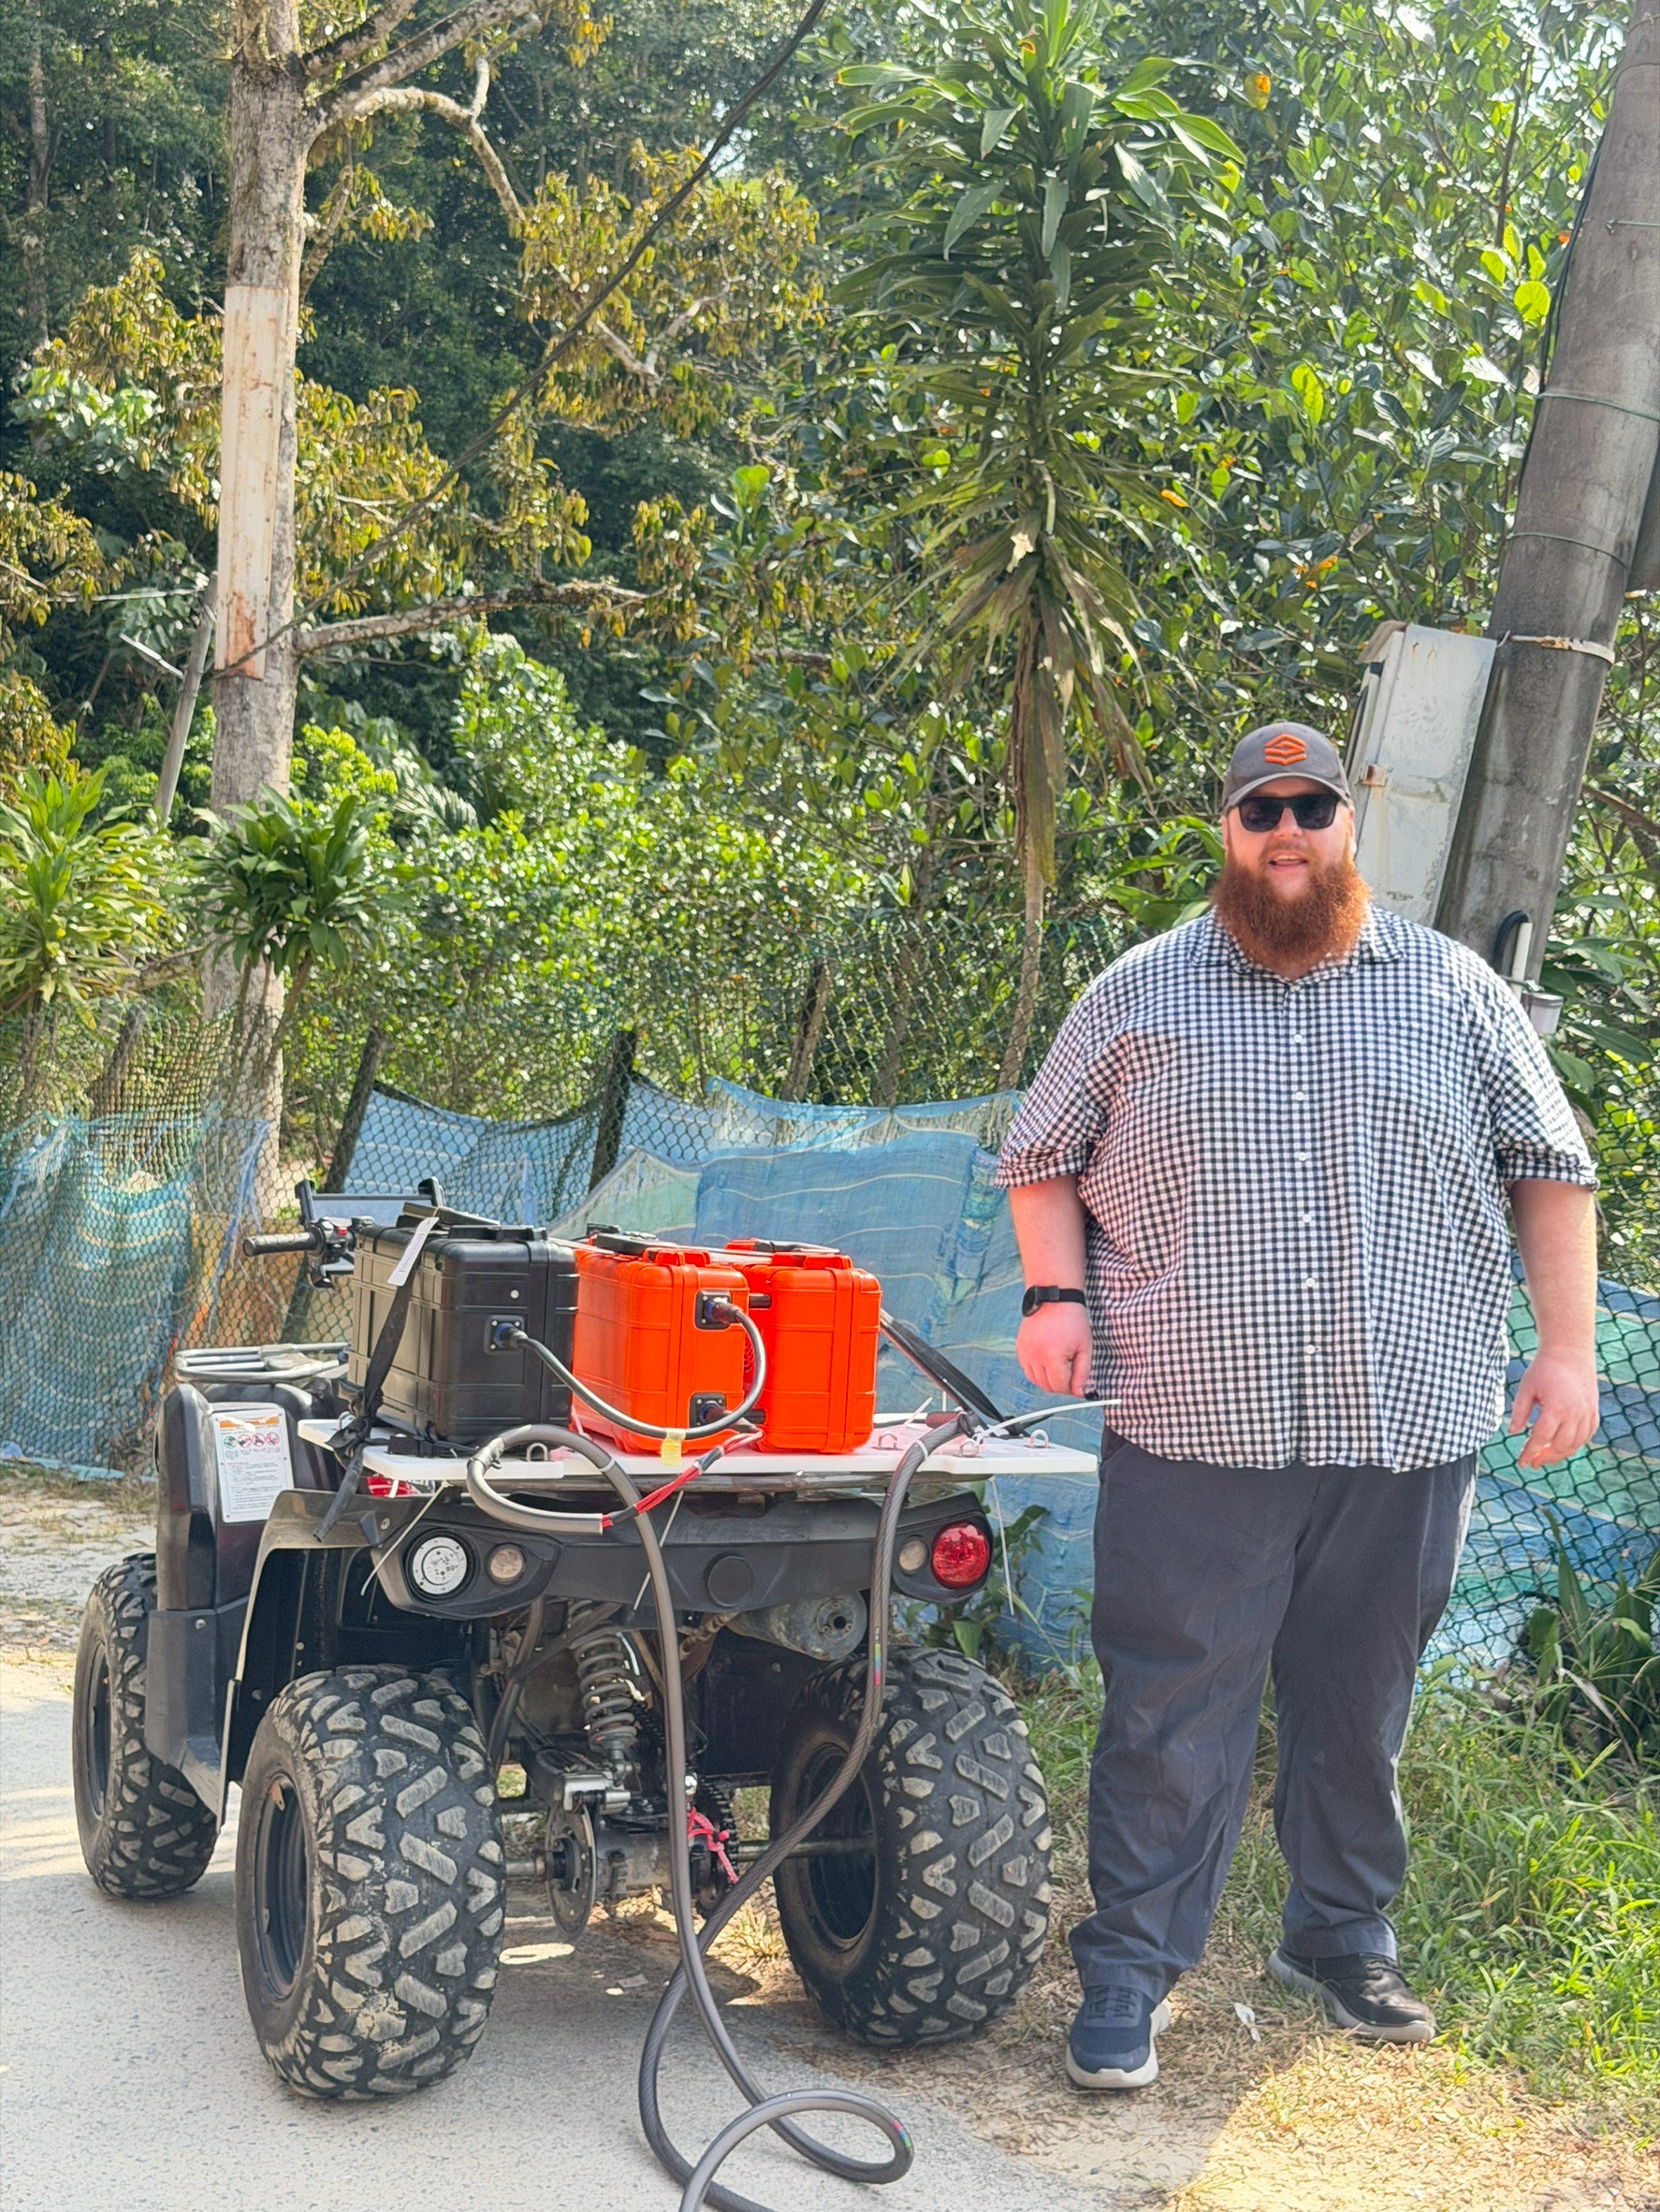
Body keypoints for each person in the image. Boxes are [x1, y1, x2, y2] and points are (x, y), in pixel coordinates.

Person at [996, 721, 1598, 2091]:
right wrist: (1054, 1298)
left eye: (1308, 806)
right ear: (1225, 830)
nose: (1284, 830)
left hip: (1409, 1421)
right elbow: (1040, 1157)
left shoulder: (1451, 992)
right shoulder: (1138, 992)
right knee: (1168, 1704)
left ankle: (1337, 1936)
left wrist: (1563, 1351)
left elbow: (1549, 1174)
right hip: (1193, 1422)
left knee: (1359, 1698)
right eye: (1257, 808)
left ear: (1345, 824)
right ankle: (1132, 1970)